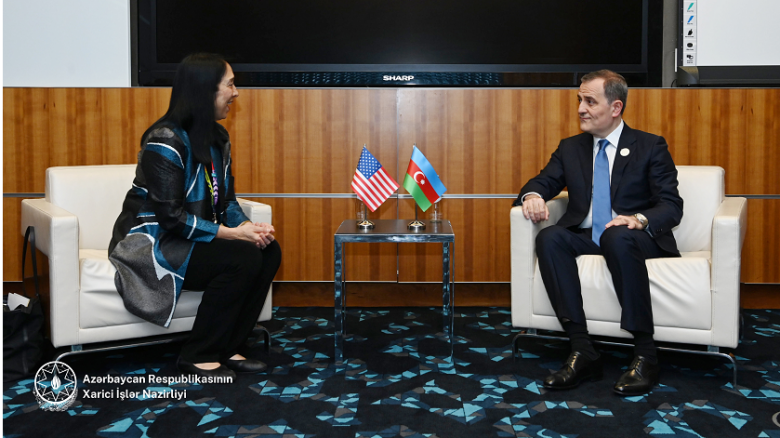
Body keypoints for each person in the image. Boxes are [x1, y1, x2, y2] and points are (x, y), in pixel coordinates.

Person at [109, 53, 282, 379]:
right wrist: (234, 235)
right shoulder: (165, 140)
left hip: (191, 238)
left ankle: (229, 345)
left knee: (268, 250)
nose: (236, 93)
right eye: (230, 84)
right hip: (153, 242)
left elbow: (226, 202)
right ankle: (198, 355)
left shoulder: (218, 138)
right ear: (205, 90)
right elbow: (170, 218)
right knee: (242, 257)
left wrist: (248, 228)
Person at [514, 70, 683, 396]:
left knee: (616, 235)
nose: (581, 108)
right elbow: (542, 181)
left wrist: (639, 219)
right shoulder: (571, 148)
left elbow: (671, 205)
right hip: (588, 235)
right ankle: (582, 350)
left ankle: (646, 355)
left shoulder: (649, 146)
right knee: (549, 237)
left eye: (590, 101)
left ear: (616, 107)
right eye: (580, 100)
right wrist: (532, 196)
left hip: (634, 239)